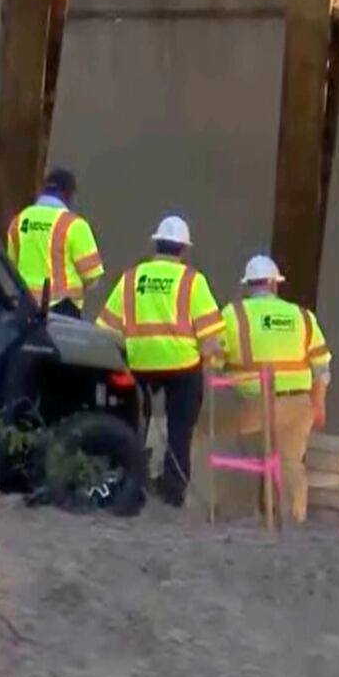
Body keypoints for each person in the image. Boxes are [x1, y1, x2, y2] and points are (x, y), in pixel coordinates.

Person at [98, 215, 223, 508]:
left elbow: (106, 329)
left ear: (156, 244)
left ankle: (130, 480)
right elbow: (210, 337)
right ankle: (172, 490)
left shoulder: (131, 278)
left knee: (131, 424)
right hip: (182, 366)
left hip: (139, 363)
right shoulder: (192, 280)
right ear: (183, 250)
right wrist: (214, 358)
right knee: (180, 430)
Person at [212, 254, 331, 523]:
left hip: (252, 401)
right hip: (299, 405)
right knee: (290, 464)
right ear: (276, 285)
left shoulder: (234, 314)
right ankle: (290, 520)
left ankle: (242, 516)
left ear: (247, 286)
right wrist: (318, 403)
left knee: (244, 457)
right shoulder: (302, 316)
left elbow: (215, 361)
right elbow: (322, 367)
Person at [6, 167, 105, 318]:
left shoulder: (20, 220)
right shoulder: (75, 225)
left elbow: (10, 263)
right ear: (69, 194)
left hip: (24, 307)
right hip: (62, 310)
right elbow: (92, 276)